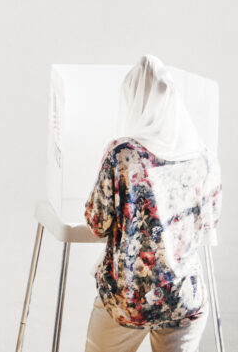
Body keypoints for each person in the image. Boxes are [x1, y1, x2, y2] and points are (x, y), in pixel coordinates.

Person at [84, 55, 222, 352]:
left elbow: (97, 223)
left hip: (130, 300)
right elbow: (210, 223)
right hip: (185, 299)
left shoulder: (122, 154)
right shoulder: (203, 156)